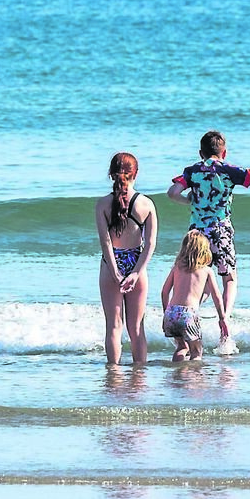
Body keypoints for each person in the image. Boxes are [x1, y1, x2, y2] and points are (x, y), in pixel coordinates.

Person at [167, 130, 250, 318]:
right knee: (229, 279)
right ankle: (224, 320)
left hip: (197, 233)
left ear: (200, 153)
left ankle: (187, 314)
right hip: (220, 230)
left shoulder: (192, 171)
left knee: (200, 277)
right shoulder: (230, 170)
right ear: (224, 153)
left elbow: (172, 193)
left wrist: (189, 201)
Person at [95, 152, 158, 366]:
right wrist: (135, 272)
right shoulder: (146, 204)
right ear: (136, 174)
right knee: (137, 327)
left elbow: (105, 243)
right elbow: (150, 244)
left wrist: (114, 271)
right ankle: (139, 374)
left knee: (113, 326)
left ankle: (113, 374)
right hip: (136, 264)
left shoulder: (102, 204)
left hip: (111, 264)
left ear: (111, 174)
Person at [161, 230, 229, 361]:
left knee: (181, 347)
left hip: (171, 313)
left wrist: (166, 312)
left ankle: (177, 377)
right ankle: (194, 380)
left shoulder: (177, 267)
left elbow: (164, 292)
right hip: (188, 315)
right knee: (196, 351)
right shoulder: (207, 270)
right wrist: (222, 318)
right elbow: (217, 297)